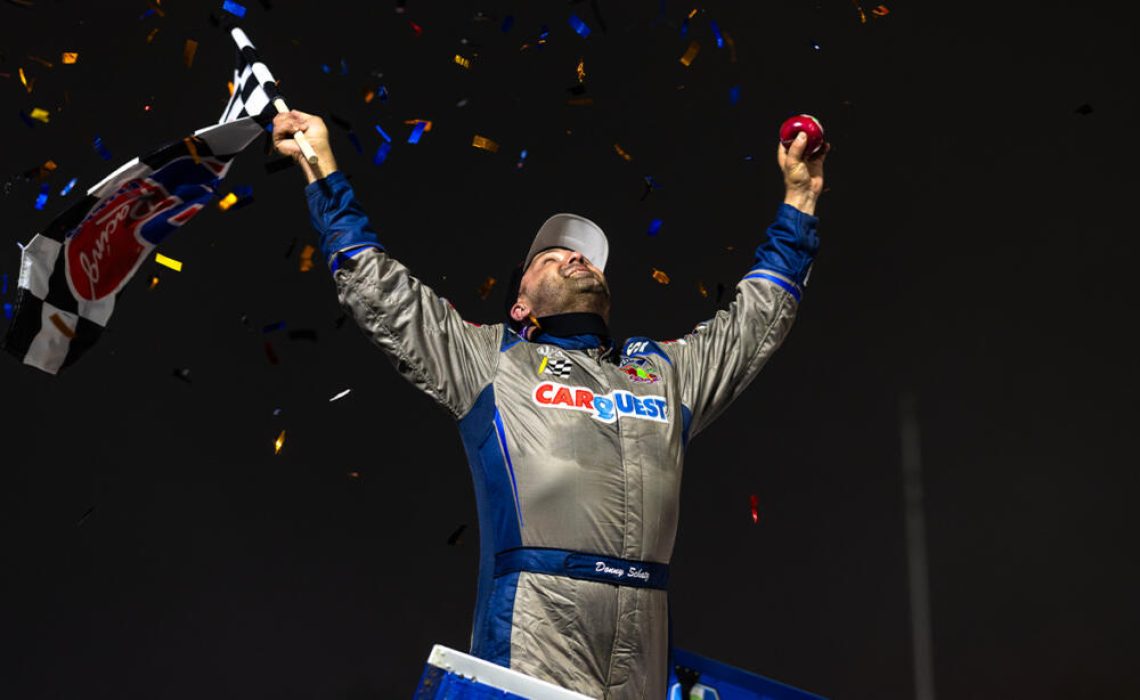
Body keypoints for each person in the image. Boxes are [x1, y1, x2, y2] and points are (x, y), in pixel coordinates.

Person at [271, 109, 827, 699]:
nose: (575, 257)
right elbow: (379, 288)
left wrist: (801, 195)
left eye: (584, 255)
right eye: (550, 256)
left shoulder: (665, 374)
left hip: (644, 652)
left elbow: (757, 319)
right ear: (520, 304)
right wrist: (321, 164)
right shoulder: (489, 359)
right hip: (533, 642)